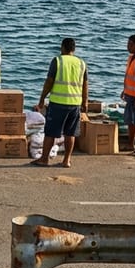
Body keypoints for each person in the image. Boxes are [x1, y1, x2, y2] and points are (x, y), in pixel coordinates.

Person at [33, 37, 88, 169]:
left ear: (62, 48)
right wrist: (85, 101)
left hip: (58, 102)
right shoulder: (81, 63)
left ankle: (44, 159)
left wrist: (42, 99)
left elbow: (49, 82)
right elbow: (85, 85)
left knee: (51, 132)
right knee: (71, 133)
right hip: (75, 103)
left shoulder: (58, 60)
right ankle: (66, 160)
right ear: (73, 49)